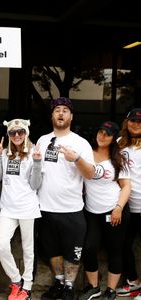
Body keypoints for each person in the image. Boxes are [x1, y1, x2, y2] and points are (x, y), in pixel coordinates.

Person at [35, 97, 95, 300]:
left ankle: (69, 287)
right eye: (57, 110)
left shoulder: (81, 143)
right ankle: (59, 283)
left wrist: (76, 159)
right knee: (52, 250)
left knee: (72, 252)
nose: (61, 113)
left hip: (72, 208)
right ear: (52, 115)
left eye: (65, 110)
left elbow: (90, 174)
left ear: (71, 116)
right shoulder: (43, 140)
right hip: (45, 207)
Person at [79, 121, 131, 300]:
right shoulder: (86, 154)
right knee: (88, 248)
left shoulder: (118, 158)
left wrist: (119, 208)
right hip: (92, 211)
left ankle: (111, 290)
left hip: (114, 211)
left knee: (114, 249)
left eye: (107, 134)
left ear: (113, 138)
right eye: (100, 132)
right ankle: (94, 288)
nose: (102, 136)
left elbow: (125, 186)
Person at [0, 119, 42, 300]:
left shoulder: (33, 153)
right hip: (8, 208)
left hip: (28, 207)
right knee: (0, 244)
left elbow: (36, 184)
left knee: (28, 249)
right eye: (12, 133)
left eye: (20, 132)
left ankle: (27, 287)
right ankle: (16, 280)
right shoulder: (5, 154)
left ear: (26, 132)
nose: (16, 136)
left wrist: (37, 163)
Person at [116, 108, 141, 298]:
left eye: (140, 121)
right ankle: (133, 282)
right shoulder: (118, 144)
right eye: (133, 120)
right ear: (127, 122)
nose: (136, 124)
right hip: (126, 205)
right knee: (123, 244)